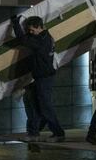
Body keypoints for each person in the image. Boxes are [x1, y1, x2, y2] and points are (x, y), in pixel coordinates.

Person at [11, 15, 65, 143]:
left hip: (44, 78)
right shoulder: (45, 37)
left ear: (39, 27)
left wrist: (15, 24)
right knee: (34, 106)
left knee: (45, 107)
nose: (30, 32)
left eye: (31, 30)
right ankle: (34, 133)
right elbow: (28, 39)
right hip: (41, 77)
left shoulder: (42, 41)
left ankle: (58, 133)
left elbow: (23, 40)